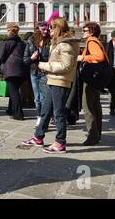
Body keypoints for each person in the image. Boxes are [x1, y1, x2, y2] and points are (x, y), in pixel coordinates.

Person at [22, 17, 80, 154]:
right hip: (52, 80)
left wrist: (43, 65)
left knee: (58, 113)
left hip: (60, 81)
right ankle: (38, 137)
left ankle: (60, 143)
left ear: (58, 28)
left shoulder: (65, 45)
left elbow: (66, 66)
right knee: (46, 110)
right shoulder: (59, 43)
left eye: (52, 27)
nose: (49, 30)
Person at [79, 22, 109, 146]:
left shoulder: (91, 41)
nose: (83, 32)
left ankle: (92, 136)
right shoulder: (97, 40)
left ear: (91, 31)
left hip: (91, 78)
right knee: (96, 106)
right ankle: (97, 134)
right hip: (97, 77)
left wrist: (82, 58)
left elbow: (99, 56)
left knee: (88, 107)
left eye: (84, 30)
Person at [0, 24, 27, 121]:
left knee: (14, 92)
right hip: (21, 69)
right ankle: (11, 110)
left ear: (9, 31)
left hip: (11, 69)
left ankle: (18, 114)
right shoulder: (22, 43)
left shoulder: (6, 43)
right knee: (14, 91)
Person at [24, 25, 50, 127]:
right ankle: (39, 117)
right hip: (34, 73)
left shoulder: (50, 41)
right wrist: (32, 58)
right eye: (43, 29)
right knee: (37, 98)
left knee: (44, 98)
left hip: (45, 72)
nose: (46, 30)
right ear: (38, 29)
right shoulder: (31, 41)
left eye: (47, 28)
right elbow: (25, 60)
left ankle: (44, 120)